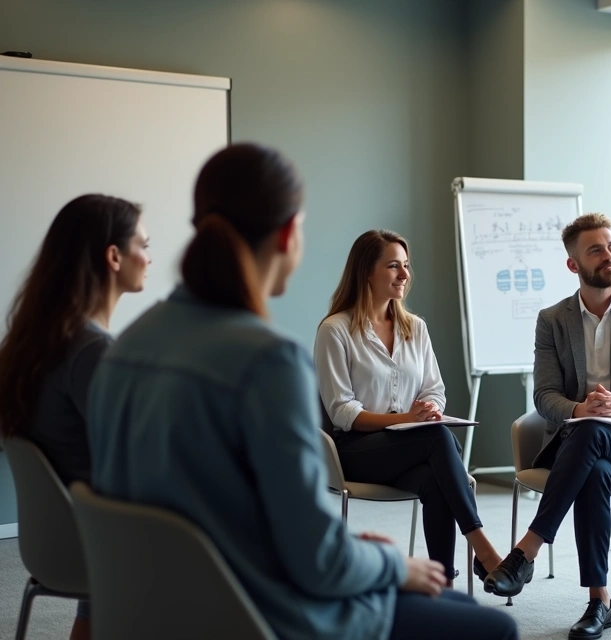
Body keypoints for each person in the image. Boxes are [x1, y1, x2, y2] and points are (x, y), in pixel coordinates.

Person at [87, 143, 516, 640]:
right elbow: (316, 562)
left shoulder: (125, 350)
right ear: (289, 233)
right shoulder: (268, 361)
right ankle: (474, 555)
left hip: (153, 610)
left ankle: (461, 562)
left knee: (448, 587)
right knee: (493, 627)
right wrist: (386, 561)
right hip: (260, 610)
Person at [483, 212, 611, 640]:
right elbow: (544, 396)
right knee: (595, 469)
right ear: (574, 265)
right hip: (584, 440)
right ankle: (600, 601)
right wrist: (580, 410)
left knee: (592, 439)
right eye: (596, 250)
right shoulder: (553, 320)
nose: (609, 255)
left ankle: (525, 551)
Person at [315, 229, 504, 584]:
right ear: (366, 272)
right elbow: (342, 412)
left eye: (406, 266)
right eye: (393, 266)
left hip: (410, 445)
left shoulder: (415, 328)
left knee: (436, 478)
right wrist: (408, 418)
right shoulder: (335, 330)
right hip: (354, 450)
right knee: (436, 438)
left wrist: (429, 409)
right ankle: (483, 547)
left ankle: (443, 582)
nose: (404, 275)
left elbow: (435, 389)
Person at [0, 194, 150, 640]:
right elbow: (136, 456)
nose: (150, 257)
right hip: (98, 543)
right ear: (113, 256)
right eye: (145, 244)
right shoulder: (91, 349)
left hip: (57, 541)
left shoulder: (37, 340)